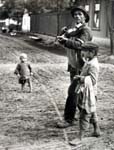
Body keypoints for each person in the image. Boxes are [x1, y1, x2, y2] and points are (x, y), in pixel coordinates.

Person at [57, 6, 93, 128]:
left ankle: (69, 119)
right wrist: (62, 34)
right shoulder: (73, 30)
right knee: (79, 94)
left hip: (82, 67)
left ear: (85, 17)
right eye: (75, 15)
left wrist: (65, 40)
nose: (77, 16)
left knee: (73, 92)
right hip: (74, 66)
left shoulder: (85, 31)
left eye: (80, 14)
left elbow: (79, 45)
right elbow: (62, 41)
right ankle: (88, 117)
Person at [70, 42, 101, 145]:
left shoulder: (93, 65)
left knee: (84, 113)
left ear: (91, 52)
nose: (82, 53)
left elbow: (93, 80)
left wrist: (81, 78)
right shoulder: (90, 61)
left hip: (89, 93)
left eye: (84, 51)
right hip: (86, 91)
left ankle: (80, 137)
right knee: (91, 110)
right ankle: (97, 130)